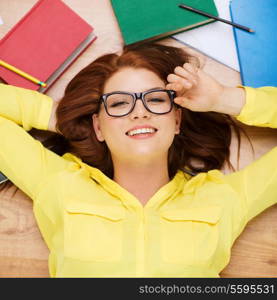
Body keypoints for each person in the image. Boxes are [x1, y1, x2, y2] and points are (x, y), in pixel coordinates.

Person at [0, 43, 276, 278]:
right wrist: (60, 118)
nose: (139, 113)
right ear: (98, 127)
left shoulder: (224, 198)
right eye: (119, 104)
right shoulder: (59, 184)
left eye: (155, 100)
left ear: (177, 120)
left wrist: (224, 98)